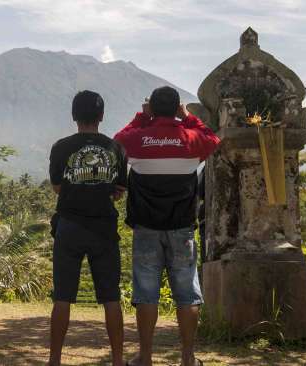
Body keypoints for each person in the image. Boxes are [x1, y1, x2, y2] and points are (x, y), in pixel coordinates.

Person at [114, 86, 220, 366]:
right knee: (187, 293)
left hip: (146, 228)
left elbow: (117, 142)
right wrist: (187, 117)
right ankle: (188, 358)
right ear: (176, 109)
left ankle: (145, 358)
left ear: (152, 107)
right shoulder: (190, 138)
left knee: (146, 292)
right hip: (182, 228)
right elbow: (212, 138)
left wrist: (142, 117)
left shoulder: (137, 139)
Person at [48, 90, 128, 366]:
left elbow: (58, 187)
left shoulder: (60, 147)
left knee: (62, 297)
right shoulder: (115, 148)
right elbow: (119, 190)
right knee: (111, 298)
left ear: (73, 116)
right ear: (102, 116)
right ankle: (118, 360)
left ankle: (55, 359)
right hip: (103, 228)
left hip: (69, 226)